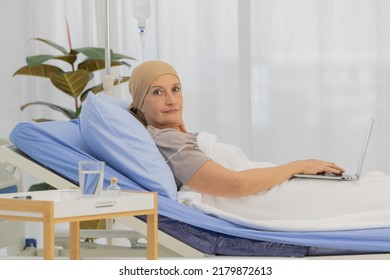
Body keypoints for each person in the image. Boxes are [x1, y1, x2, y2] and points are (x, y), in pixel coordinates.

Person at [129, 60, 345, 197]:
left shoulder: (177, 136)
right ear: (140, 102)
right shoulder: (169, 141)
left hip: (268, 188)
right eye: (157, 92)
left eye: (176, 89)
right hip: (259, 198)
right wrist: (297, 166)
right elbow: (236, 184)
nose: (171, 100)